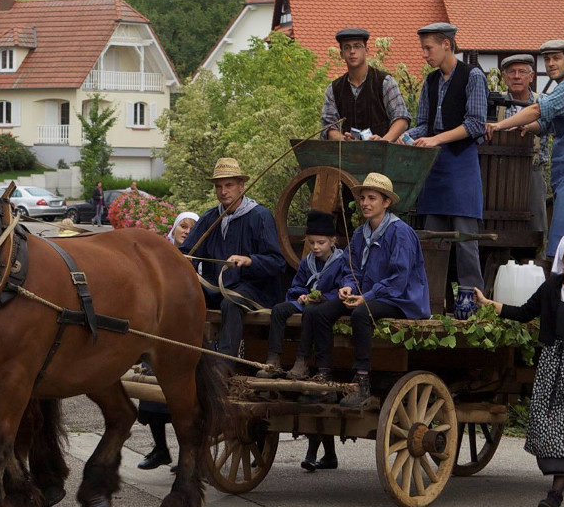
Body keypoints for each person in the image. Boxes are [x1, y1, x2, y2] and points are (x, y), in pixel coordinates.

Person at [474, 234, 564, 507]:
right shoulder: (551, 287)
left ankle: (555, 495)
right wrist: (491, 304)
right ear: (563, 258)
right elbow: (525, 312)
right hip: (553, 362)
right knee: (554, 427)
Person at [305, 173, 430, 407]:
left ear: (386, 202)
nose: (365, 203)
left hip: (400, 299)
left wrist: (366, 297)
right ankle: (325, 379)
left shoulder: (400, 232)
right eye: (362, 198)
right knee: (318, 312)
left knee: (361, 314)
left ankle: (362, 382)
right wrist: (348, 287)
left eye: (372, 198)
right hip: (367, 295)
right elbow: (351, 268)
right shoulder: (361, 233)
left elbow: (398, 280)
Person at [485, 40, 564, 267]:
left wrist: (499, 126)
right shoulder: (563, 88)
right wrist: (528, 127)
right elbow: (547, 123)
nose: (550, 64)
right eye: (547, 59)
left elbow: (537, 110)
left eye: (556, 58)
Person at [399, 22, 487, 319]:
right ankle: (430, 302)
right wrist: (407, 138)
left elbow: (475, 123)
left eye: (429, 48)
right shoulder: (430, 81)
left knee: (465, 239)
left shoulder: (473, 76)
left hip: (461, 163)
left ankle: (471, 306)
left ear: (447, 44)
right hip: (435, 167)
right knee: (432, 239)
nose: (425, 54)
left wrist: (436, 138)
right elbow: (423, 123)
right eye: (423, 48)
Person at [256, 210, 350, 472]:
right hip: (307, 304)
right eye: (312, 243)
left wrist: (322, 298)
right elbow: (296, 286)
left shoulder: (342, 261)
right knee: (279, 310)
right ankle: (273, 360)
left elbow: (345, 286)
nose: (316, 247)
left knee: (311, 313)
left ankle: (301, 361)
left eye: (321, 243)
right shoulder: (308, 261)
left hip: (325, 308)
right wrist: (299, 297)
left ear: (333, 241)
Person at [179, 158, 286, 356]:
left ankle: (224, 366)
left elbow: (277, 263)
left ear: (241, 186)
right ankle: (182, 357)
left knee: (231, 302)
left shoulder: (260, 216)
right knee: (181, 296)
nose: (223, 191)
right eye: (219, 186)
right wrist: (184, 262)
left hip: (255, 290)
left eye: (229, 185)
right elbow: (186, 252)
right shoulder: (210, 218)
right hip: (216, 289)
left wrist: (250, 260)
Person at [135, 211, 201, 470]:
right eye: (182, 226)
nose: (186, 231)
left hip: (188, 328)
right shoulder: (162, 258)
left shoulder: (201, 255)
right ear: (173, 230)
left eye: (191, 228)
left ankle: (190, 450)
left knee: (182, 396)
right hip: (163, 330)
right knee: (151, 395)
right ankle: (160, 448)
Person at [321, 28, 411, 142]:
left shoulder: (385, 82)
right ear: (341, 54)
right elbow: (328, 127)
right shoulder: (334, 89)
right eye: (347, 47)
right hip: (349, 156)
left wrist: (383, 141)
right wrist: (343, 139)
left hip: (384, 156)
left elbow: (402, 119)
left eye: (357, 46)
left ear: (366, 50)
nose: (352, 51)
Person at [499, 53, 548, 242]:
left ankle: (537, 262)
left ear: (531, 76)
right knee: (500, 223)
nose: (516, 76)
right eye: (511, 72)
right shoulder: (496, 102)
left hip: (532, 171)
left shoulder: (543, 102)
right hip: (500, 172)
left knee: (536, 225)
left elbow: (548, 127)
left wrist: (527, 127)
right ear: (504, 77)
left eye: (522, 72)